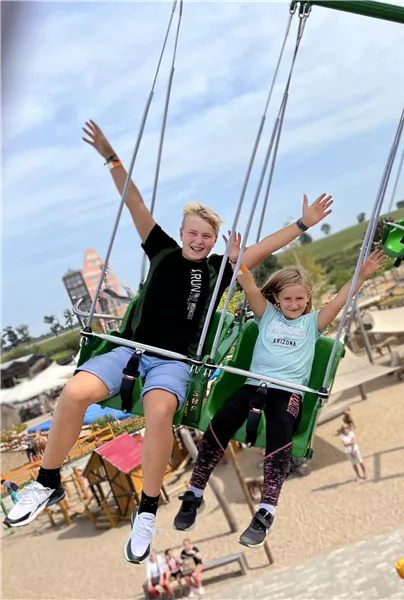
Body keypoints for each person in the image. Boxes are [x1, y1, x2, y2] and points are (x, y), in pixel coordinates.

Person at [3, 120, 334, 567]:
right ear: (182, 233)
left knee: (159, 413)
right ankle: (47, 482)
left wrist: (303, 222)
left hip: (173, 363)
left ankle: (146, 510)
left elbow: (261, 249)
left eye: (207, 237)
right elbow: (135, 202)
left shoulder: (218, 271)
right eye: (193, 233)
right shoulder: (160, 250)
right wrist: (112, 159)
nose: (198, 241)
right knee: (74, 393)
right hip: (129, 350)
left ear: (214, 242)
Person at [173, 241, 385, 547]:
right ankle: (195, 493)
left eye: (300, 298)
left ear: (308, 298)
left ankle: (266, 510)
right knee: (222, 418)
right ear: (277, 299)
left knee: (281, 426)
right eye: (288, 298)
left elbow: (340, 300)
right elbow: (248, 285)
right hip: (254, 386)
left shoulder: (312, 324)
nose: (294, 304)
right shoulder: (267, 316)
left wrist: (361, 275)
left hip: (288, 394)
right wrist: (237, 260)